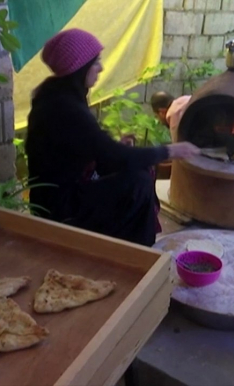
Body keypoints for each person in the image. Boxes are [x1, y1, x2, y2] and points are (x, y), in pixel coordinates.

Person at [26, 29, 200, 247]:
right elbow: (113, 154)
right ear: (79, 67)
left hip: (65, 191)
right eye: (96, 61)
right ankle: (136, 251)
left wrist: (116, 148)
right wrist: (170, 151)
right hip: (60, 207)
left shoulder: (56, 95)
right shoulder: (64, 107)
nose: (101, 68)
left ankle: (131, 244)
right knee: (138, 182)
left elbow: (93, 148)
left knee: (136, 171)